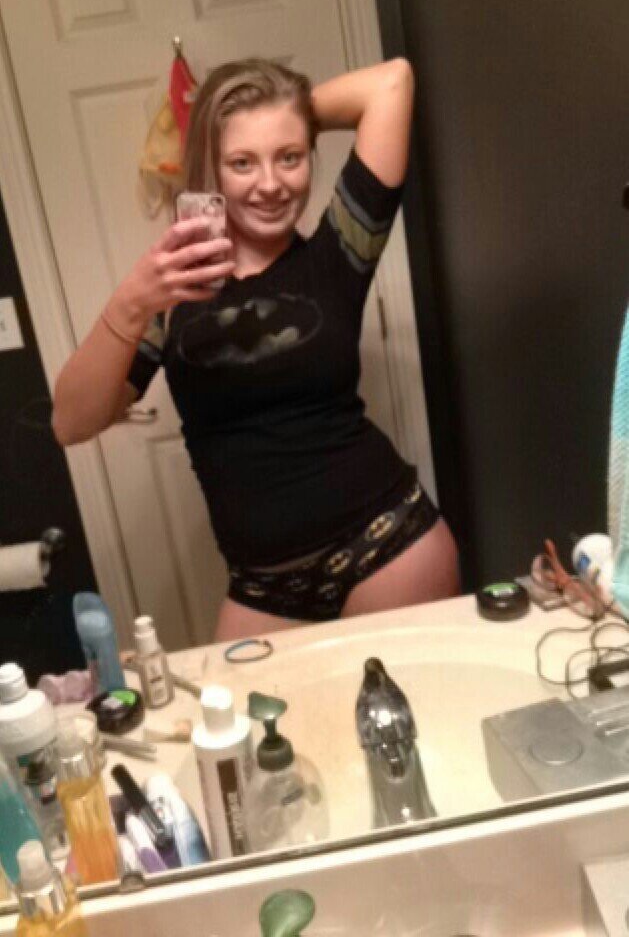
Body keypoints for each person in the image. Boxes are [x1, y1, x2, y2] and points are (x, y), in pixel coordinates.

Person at [52, 57, 459, 642]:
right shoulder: (171, 293)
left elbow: (392, 81)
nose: (270, 184)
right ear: (211, 168)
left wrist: (287, 112)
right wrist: (132, 301)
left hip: (387, 548)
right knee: (243, 708)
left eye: (289, 157)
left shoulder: (341, 251)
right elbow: (71, 422)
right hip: (263, 588)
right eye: (242, 162)